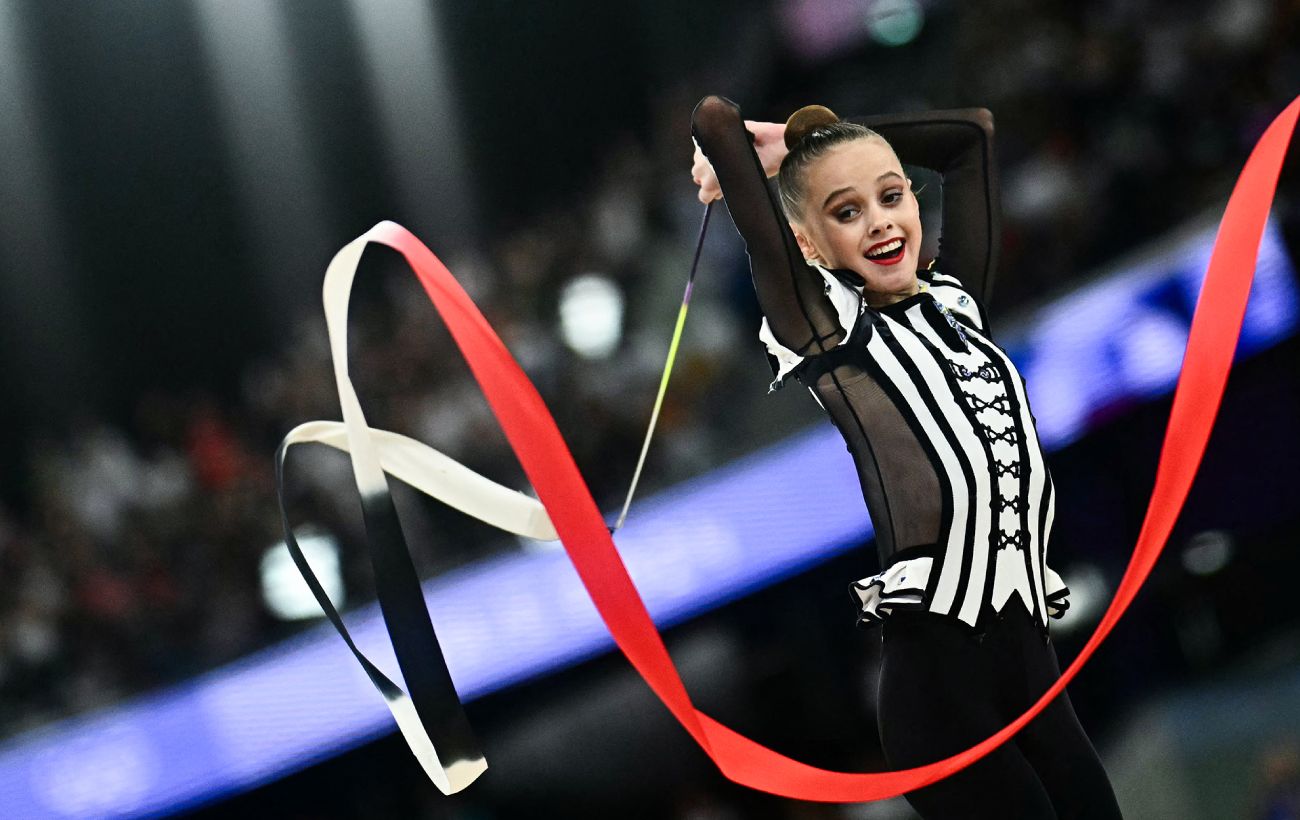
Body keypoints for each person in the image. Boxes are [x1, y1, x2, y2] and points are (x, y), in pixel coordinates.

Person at [689, 95, 1123, 819]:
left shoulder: (957, 303)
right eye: (847, 211)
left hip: (1032, 677)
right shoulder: (828, 332)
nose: (881, 221)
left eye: (892, 196)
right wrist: (756, 158)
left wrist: (808, 142)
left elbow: (971, 137)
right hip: (940, 701)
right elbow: (712, 118)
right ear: (810, 245)